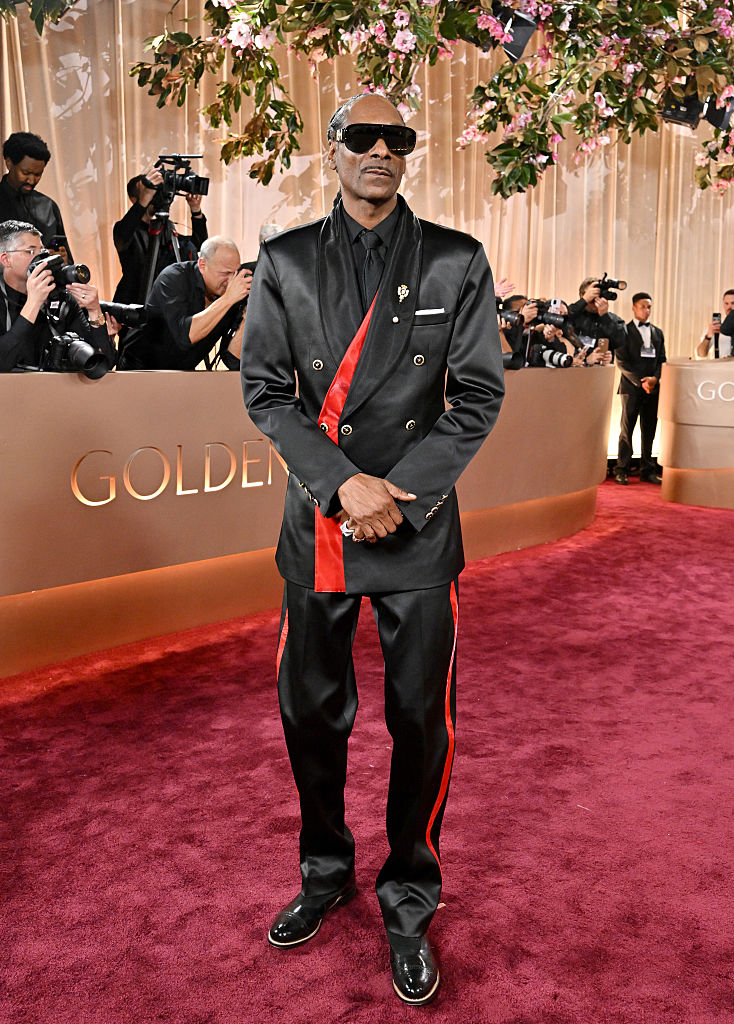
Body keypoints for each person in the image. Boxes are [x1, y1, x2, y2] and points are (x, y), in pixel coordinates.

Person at [241, 94, 504, 1005]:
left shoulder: (455, 260)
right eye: (363, 137)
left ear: (411, 156)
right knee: (311, 714)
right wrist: (342, 483)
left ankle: (408, 899)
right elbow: (268, 392)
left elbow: (476, 395)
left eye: (399, 139)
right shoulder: (281, 262)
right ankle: (323, 874)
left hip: (417, 528)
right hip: (321, 522)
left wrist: (399, 491)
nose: (381, 151)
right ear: (333, 151)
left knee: (421, 723)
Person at [117, 236, 251, 370]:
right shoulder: (174, 277)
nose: (231, 280)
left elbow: (232, 361)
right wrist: (228, 299)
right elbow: (184, 337)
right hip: (138, 370)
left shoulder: (231, 295)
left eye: (235, 272)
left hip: (182, 376)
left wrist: (246, 315)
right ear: (203, 265)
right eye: (225, 273)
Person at [0, 220, 114, 373]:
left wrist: (94, 311)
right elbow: (3, 363)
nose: (41, 258)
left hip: (57, 391)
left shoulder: (60, 298)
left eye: (43, 251)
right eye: (31, 251)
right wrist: (33, 303)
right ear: (6, 259)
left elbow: (102, 364)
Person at [112, 167, 208, 304]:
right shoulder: (126, 230)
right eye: (149, 192)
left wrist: (196, 210)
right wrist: (144, 200)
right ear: (134, 200)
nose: (155, 195)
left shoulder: (165, 227)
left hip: (164, 303)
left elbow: (198, 245)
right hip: (133, 304)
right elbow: (122, 237)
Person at [613, 292, 666, 485]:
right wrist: (641, 381)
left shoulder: (658, 333)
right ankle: (622, 468)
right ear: (634, 308)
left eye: (649, 306)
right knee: (627, 430)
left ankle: (647, 470)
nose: (646, 310)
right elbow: (621, 362)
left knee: (649, 429)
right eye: (642, 306)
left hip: (653, 389)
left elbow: (662, 360)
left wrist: (654, 379)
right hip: (631, 388)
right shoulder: (624, 331)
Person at [0, 132, 72, 262]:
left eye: (38, 174)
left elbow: (67, 258)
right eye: (26, 173)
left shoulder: (48, 206)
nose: (32, 180)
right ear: (9, 163)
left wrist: (63, 261)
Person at [567, 277, 626, 362]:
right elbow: (561, 318)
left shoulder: (613, 319)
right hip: (575, 370)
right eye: (592, 298)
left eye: (600, 297)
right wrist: (584, 300)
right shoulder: (574, 315)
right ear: (581, 295)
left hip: (601, 371)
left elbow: (620, 342)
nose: (596, 302)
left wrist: (605, 317)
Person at [695, 289, 734, 359]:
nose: (729, 307)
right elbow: (701, 354)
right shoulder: (716, 326)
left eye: (733, 303)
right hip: (719, 368)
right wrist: (708, 336)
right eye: (726, 304)